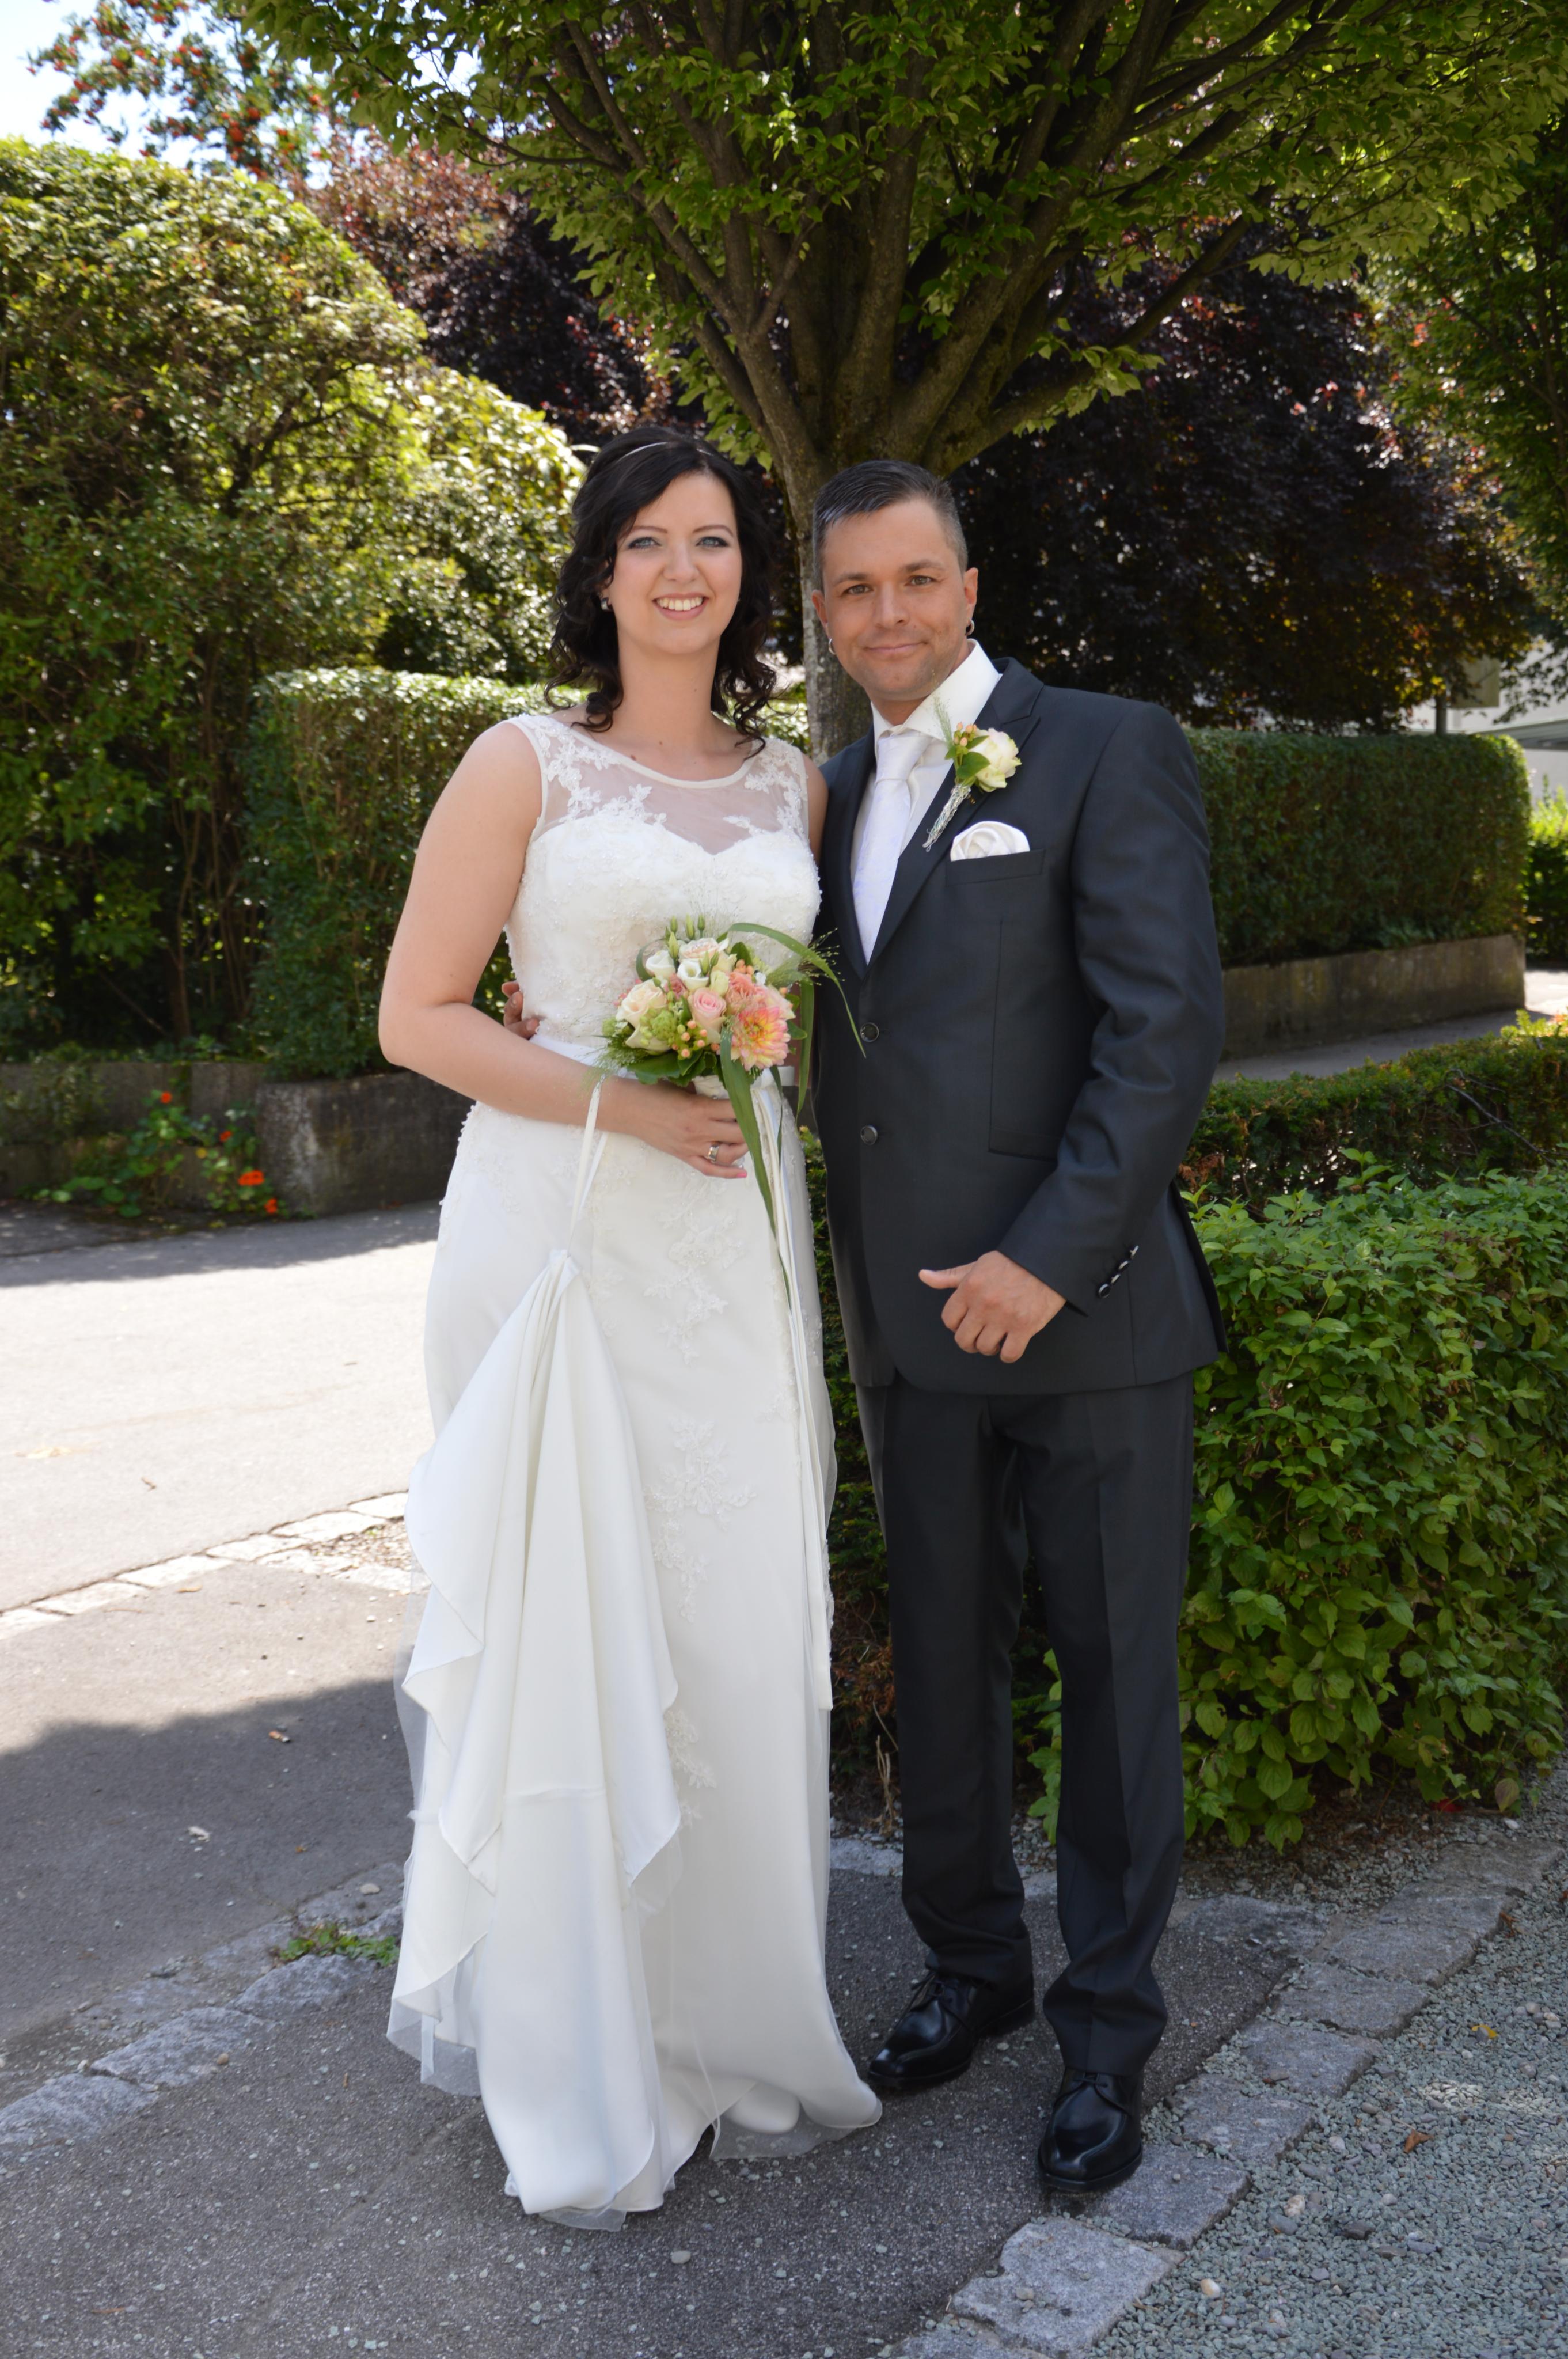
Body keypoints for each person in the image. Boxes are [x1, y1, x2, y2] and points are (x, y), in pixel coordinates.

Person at [378, 424, 879, 2228]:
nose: (684, 569)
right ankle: (581, 2060)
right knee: (568, 1623)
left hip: (728, 1245)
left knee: (731, 1620)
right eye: (649, 540)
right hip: (562, 1235)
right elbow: (419, 1017)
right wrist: (623, 1102)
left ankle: (725, 2022)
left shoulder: (794, 789)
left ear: (751, 575)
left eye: (716, 540)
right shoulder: (520, 763)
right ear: (600, 572)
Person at [806, 460, 1226, 2196]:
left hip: (1088, 1319)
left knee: (1116, 1685)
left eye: (917, 578)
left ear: (970, 588)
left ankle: (1108, 2037)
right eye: (854, 589)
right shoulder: (826, 792)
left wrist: (1044, 1259)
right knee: (944, 1668)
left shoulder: (1104, 749)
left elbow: (1161, 1030)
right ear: (824, 614)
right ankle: (968, 1969)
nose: (889, 613)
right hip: (907, 1333)